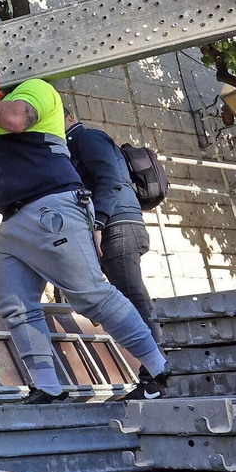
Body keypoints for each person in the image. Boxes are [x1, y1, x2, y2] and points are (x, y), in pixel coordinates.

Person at [0, 70, 170, 404]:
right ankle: (48, 387)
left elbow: (15, 119)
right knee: (15, 305)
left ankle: (162, 370)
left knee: (92, 294)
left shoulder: (37, 88)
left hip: (52, 206)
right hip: (14, 221)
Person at [64, 109, 157, 336]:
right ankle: (161, 350)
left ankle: (157, 355)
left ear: (70, 118)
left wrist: (98, 223)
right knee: (134, 295)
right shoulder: (71, 146)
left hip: (117, 224)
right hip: (116, 224)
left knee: (131, 297)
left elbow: (110, 179)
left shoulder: (88, 137)